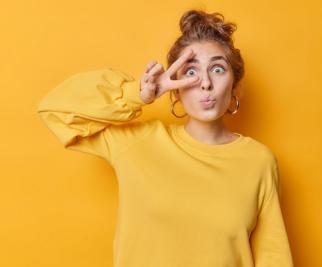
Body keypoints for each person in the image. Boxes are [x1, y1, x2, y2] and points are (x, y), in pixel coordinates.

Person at [36, 9, 294, 267]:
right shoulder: (138, 143)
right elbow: (55, 110)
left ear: (235, 84)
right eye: (191, 72)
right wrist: (136, 94)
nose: (205, 83)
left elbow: (273, 257)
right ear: (175, 90)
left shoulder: (258, 161)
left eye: (217, 69)